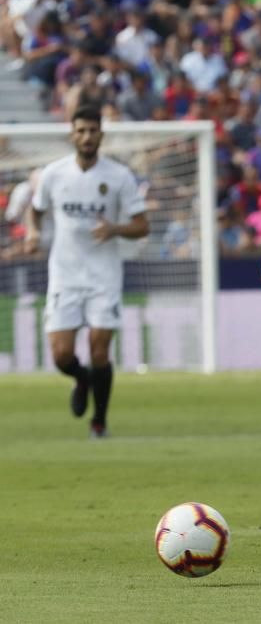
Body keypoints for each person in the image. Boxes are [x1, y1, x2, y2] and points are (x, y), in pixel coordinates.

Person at [25, 106, 150, 438]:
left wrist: (115, 229)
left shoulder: (119, 176)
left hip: (103, 275)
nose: (87, 137)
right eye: (81, 131)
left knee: (99, 346)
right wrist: (33, 233)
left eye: (93, 131)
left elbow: (142, 226)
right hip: (64, 274)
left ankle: (100, 421)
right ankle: (81, 378)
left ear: (101, 135)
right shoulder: (54, 174)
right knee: (62, 354)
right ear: (72, 134)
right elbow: (34, 212)